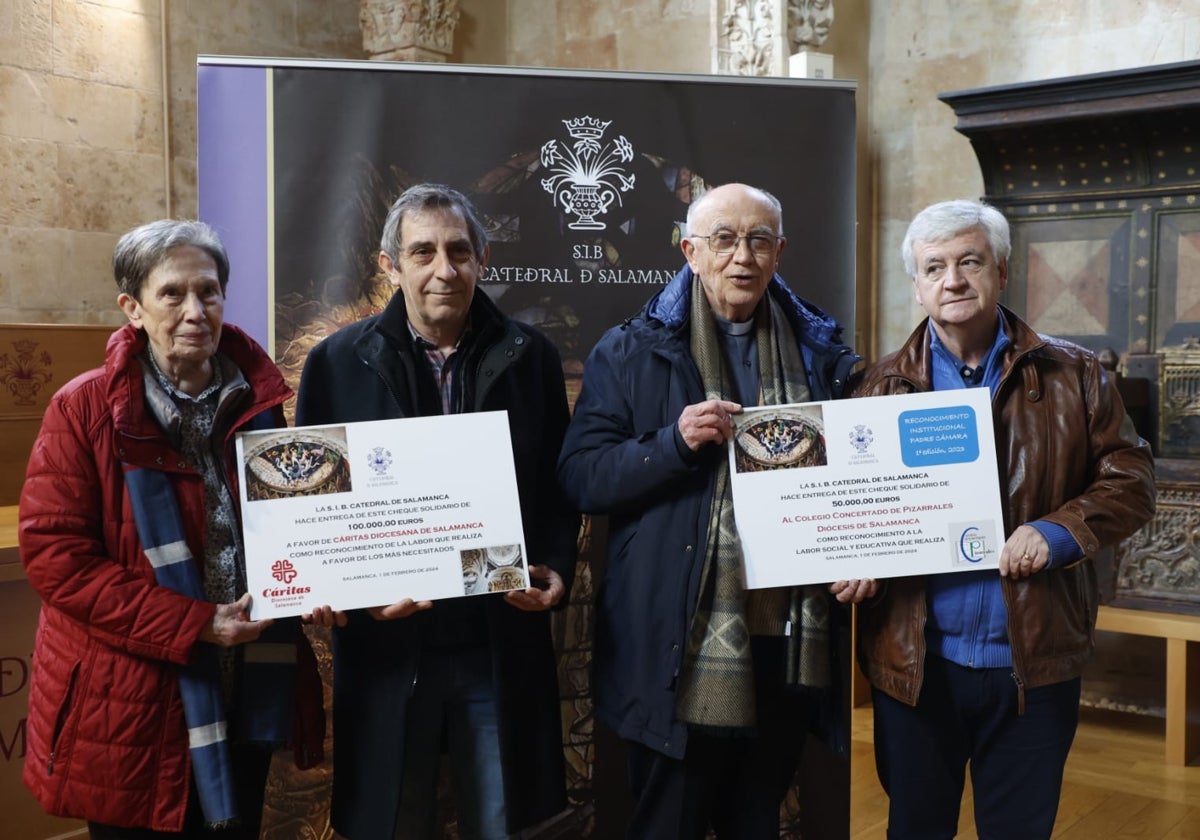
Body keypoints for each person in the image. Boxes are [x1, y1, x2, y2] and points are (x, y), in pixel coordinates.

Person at [557, 182, 863, 839]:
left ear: (779, 251)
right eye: (723, 239)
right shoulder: (631, 349)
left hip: (783, 640)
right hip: (672, 646)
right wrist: (673, 443)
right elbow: (581, 477)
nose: (741, 256)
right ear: (690, 252)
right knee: (667, 824)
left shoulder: (825, 356)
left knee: (757, 821)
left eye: (758, 240)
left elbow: (860, 482)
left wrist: (862, 554)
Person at [853, 199, 1156, 839]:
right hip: (916, 670)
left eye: (970, 261)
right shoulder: (874, 387)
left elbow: (1132, 481)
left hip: (1033, 664)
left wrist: (1056, 532)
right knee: (915, 830)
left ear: (1002, 271)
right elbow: (858, 509)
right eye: (934, 267)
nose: (953, 280)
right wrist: (856, 562)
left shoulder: (1076, 375)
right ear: (917, 284)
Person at [19, 220, 325, 838]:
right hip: (132, 701)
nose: (194, 310)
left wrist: (321, 578)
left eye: (208, 292)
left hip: (246, 684)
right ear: (131, 308)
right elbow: (57, 559)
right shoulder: (82, 408)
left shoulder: (261, 405)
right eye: (172, 294)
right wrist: (196, 624)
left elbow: (290, 528)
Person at [295, 183, 579, 840]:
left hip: (496, 639)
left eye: (458, 250)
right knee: (393, 822)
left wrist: (559, 567)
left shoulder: (531, 358)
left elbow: (556, 489)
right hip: (386, 646)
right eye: (422, 252)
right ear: (389, 266)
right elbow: (316, 514)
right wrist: (344, 589)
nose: (443, 269)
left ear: (483, 258)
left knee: (503, 821)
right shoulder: (336, 363)